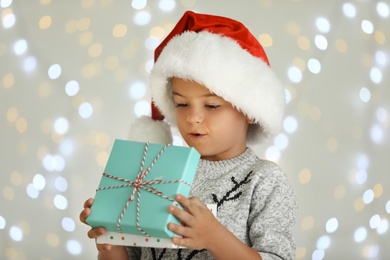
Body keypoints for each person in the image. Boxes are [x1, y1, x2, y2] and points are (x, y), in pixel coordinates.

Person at [80, 10, 298, 260]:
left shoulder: (265, 181)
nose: (193, 117)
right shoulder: (156, 173)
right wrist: (109, 238)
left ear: (249, 110)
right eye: (182, 104)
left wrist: (215, 237)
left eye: (212, 106)